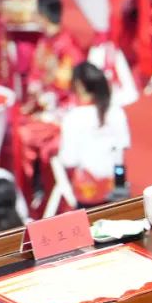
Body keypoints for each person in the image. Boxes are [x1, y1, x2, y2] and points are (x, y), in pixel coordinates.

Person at [58, 62, 132, 206]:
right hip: (116, 187)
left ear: (78, 85)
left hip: (88, 194)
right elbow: (122, 147)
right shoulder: (116, 112)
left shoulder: (73, 117)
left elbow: (68, 159)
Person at [26, 0, 86, 113]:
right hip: (46, 99)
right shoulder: (44, 40)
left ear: (43, 17)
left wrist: (49, 78)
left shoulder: (68, 45)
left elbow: (72, 79)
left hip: (66, 105)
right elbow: (36, 69)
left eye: (34, 13)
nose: (31, 17)